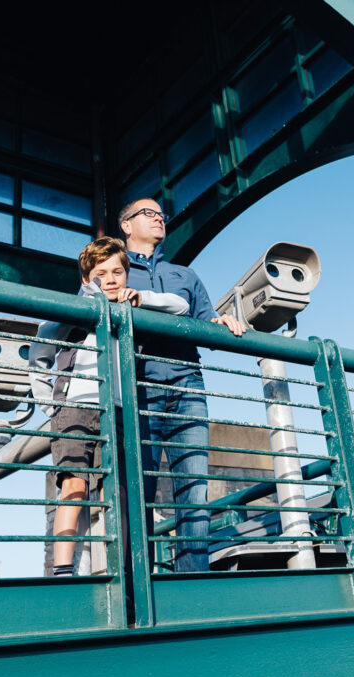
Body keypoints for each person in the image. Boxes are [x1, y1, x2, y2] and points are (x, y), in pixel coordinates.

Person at [29, 236, 189, 576]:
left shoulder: (133, 308)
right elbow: (40, 349)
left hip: (118, 411)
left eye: (118, 271)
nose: (112, 278)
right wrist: (49, 406)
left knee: (120, 491)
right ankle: (62, 569)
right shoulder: (77, 308)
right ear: (87, 278)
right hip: (75, 408)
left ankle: (125, 575)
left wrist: (141, 298)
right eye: (101, 273)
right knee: (74, 486)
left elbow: (181, 307)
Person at [119, 198, 246, 572]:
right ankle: (133, 586)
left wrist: (222, 323)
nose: (159, 218)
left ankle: (194, 581)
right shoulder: (115, 270)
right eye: (148, 213)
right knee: (137, 490)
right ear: (126, 225)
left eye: (162, 214)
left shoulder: (185, 275)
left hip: (188, 387)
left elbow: (206, 321)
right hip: (137, 387)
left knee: (194, 489)